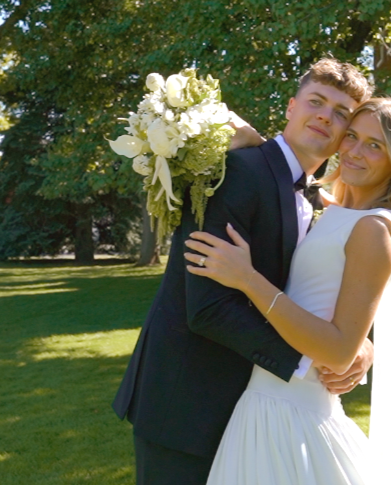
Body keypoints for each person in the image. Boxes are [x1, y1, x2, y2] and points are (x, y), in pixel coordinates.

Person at [112, 58, 374, 485]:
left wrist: (355, 346)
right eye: (317, 101)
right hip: (189, 406)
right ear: (291, 107)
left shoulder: (321, 201)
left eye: (342, 113)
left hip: (255, 415)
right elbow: (209, 307)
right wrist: (313, 360)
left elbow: (318, 287)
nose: (326, 115)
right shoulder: (237, 170)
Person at [184, 98, 391, 485]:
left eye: (374, 145)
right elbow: (293, 186)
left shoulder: (375, 230)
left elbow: (339, 350)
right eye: (351, 137)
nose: (354, 152)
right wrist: (259, 143)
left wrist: (247, 279)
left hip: (294, 411)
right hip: (268, 401)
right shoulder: (339, 210)